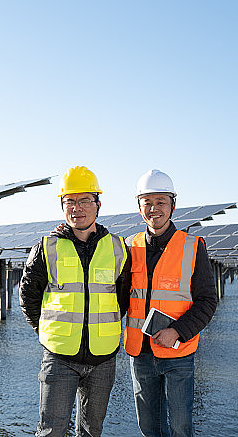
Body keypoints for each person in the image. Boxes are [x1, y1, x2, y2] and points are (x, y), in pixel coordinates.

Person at [20, 166, 131, 437]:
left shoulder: (118, 247)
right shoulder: (46, 248)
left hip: (103, 358)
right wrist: (48, 331)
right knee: (51, 432)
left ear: (98, 205)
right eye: (70, 201)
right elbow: (29, 296)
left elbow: (122, 298)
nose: (77, 208)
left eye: (84, 201)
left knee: (92, 431)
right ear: (62, 205)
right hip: (59, 358)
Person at [123, 169, 218, 437]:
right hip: (140, 354)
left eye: (161, 202)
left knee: (180, 428)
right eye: (147, 203)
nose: (154, 209)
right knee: (149, 428)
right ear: (139, 207)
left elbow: (207, 301)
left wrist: (177, 331)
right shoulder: (130, 246)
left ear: (173, 205)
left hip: (178, 354)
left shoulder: (192, 246)